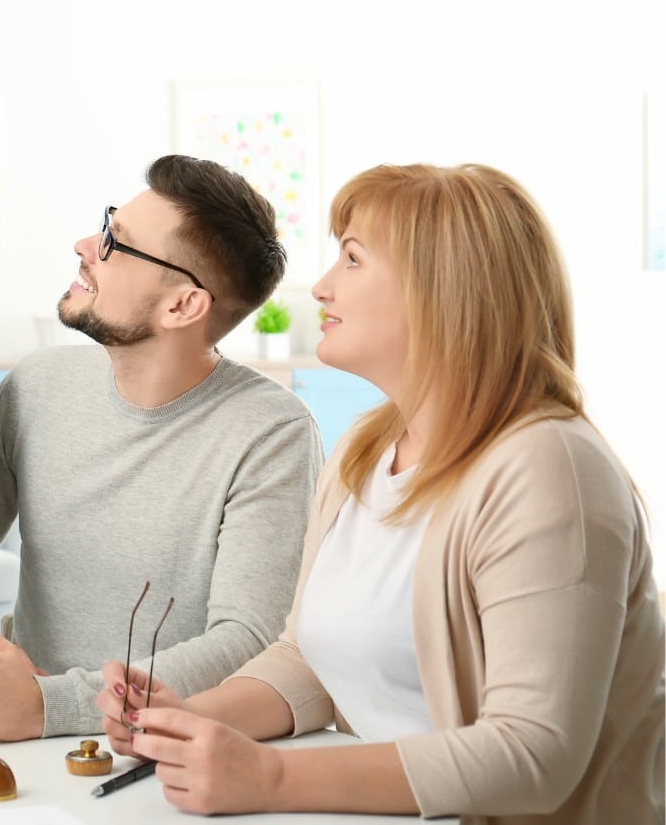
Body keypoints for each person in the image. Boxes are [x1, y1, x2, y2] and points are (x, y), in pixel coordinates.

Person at [97, 164, 665, 823]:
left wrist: (272, 777)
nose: (322, 285)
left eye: (353, 259)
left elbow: (533, 755)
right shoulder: (364, 450)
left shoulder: (548, 468)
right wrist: (185, 722)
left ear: (442, 290)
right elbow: (311, 659)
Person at [0, 155, 322, 741]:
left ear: (183, 305)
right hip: (14, 738)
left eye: (117, 242)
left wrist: (54, 704)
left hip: (165, 751)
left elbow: (249, 640)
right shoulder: (35, 387)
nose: (87, 244)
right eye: (106, 223)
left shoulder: (272, 431)